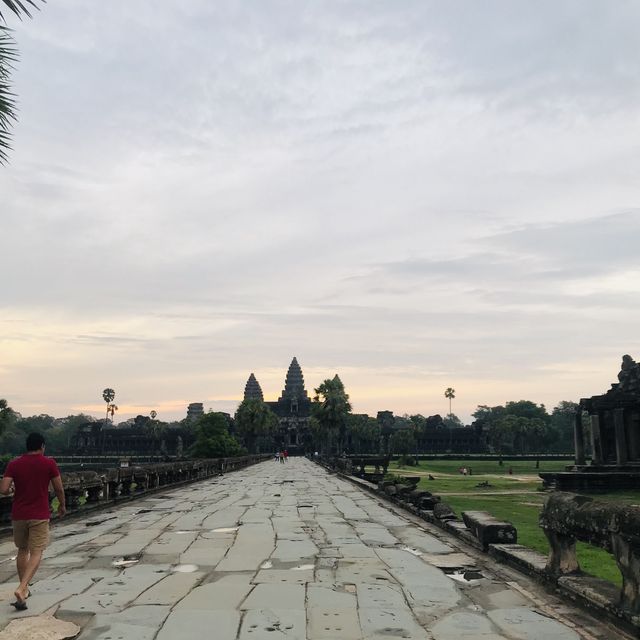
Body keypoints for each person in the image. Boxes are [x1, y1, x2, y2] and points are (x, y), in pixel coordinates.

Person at [0, 433, 66, 610]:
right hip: (39, 513)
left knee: (23, 550)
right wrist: (62, 505)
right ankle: (22, 588)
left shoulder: (14, 464)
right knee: (37, 552)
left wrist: (13, 488)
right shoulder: (48, 463)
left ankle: (25, 589)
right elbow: (58, 488)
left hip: (19, 514)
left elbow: (3, 489)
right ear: (42, 446)